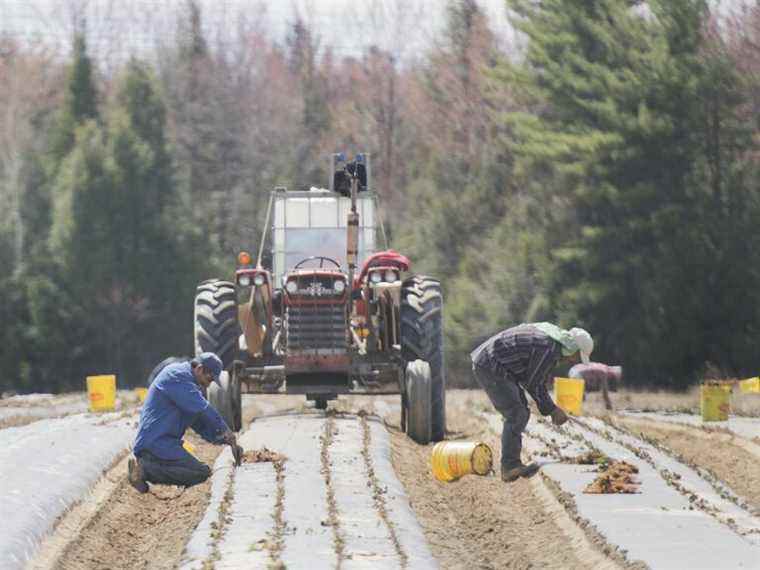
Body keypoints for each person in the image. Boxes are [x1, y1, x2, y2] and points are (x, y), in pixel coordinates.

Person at [470, 322, 594, 482]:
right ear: (571, 348)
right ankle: (509, 466)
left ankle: (512, 463)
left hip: (497, 365)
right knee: (517, 413)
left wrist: (549, 407)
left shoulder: (550, 338)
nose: (572, 361)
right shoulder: (547, 348)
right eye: (576, 357)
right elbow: (534, 383)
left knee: (521, 410)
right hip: (491, 366)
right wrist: (552, 410)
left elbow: (533, 377)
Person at [128, 352, 243, 494]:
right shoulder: (177, 376)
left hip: (166, 443)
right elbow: (204, 409)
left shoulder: (188, 385)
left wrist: (224, 440)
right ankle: (144, 471)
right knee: (200, 473)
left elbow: (199, 424)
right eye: (210, 378)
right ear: (200, 369)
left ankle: (146, 472)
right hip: (155, 443)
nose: (210, 383)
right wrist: (227, 431)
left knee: (200, 471)